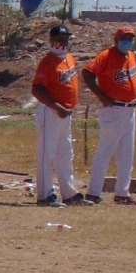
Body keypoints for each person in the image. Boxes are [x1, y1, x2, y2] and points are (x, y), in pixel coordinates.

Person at [81, 25, 136, 204]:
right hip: (114, 109)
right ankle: (93, 192)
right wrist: (101, 95)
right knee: (105, 151)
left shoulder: (131, 56)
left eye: (130, 38)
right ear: (116, 40)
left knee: (127, 153)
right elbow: (87, 73)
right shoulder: (106, 56)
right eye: (124, 38)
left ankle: (122, 194)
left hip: (130, 109)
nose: (127, 42)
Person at [30, 23, 87, 207]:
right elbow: (37, 89)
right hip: (51, 112)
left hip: (66, 114)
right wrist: (56, 106)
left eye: (65, 39)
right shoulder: (47, 61)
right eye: (58, 39)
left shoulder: (68, 58)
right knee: (47, 154)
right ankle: (45, 195)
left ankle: (69, 193)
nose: (62, 43)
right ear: (52, 41)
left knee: (65, 153)